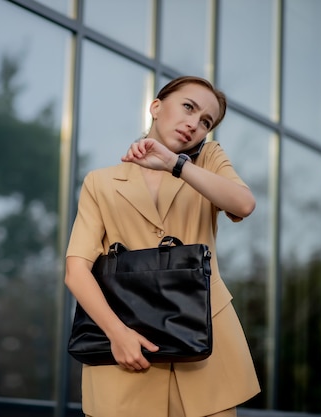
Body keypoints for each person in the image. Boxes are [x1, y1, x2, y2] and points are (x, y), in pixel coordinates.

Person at [64, 75, 261, 417]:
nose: (194, 124)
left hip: (204, 344)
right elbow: (76, 270)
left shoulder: (206, 161)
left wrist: (175, 164)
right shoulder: (100, 182)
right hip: (127, 344)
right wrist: (117, 333)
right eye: (188, 107)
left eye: (205, 121)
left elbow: (242, 204)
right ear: (156, 107)